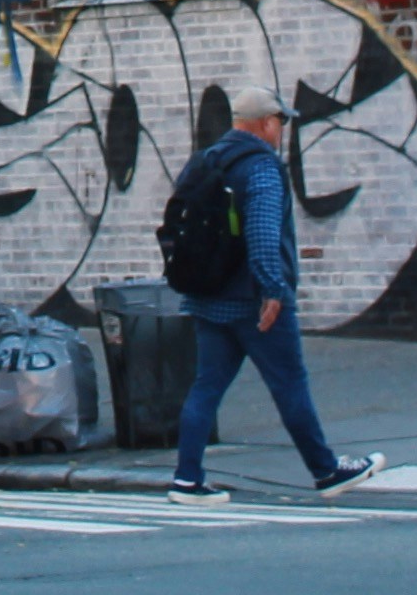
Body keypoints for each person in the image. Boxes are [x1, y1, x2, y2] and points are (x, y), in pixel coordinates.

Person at [163, 87, 383, 498]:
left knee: (206, 386)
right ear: (266, 123)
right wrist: (273, 290)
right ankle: (326, 471)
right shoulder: (260, 167)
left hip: (208, 296)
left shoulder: (205, 160)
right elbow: (263, 234)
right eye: (281, 122)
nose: (282, 129)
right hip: (254, 301)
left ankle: (186, 479)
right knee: (289, 383)